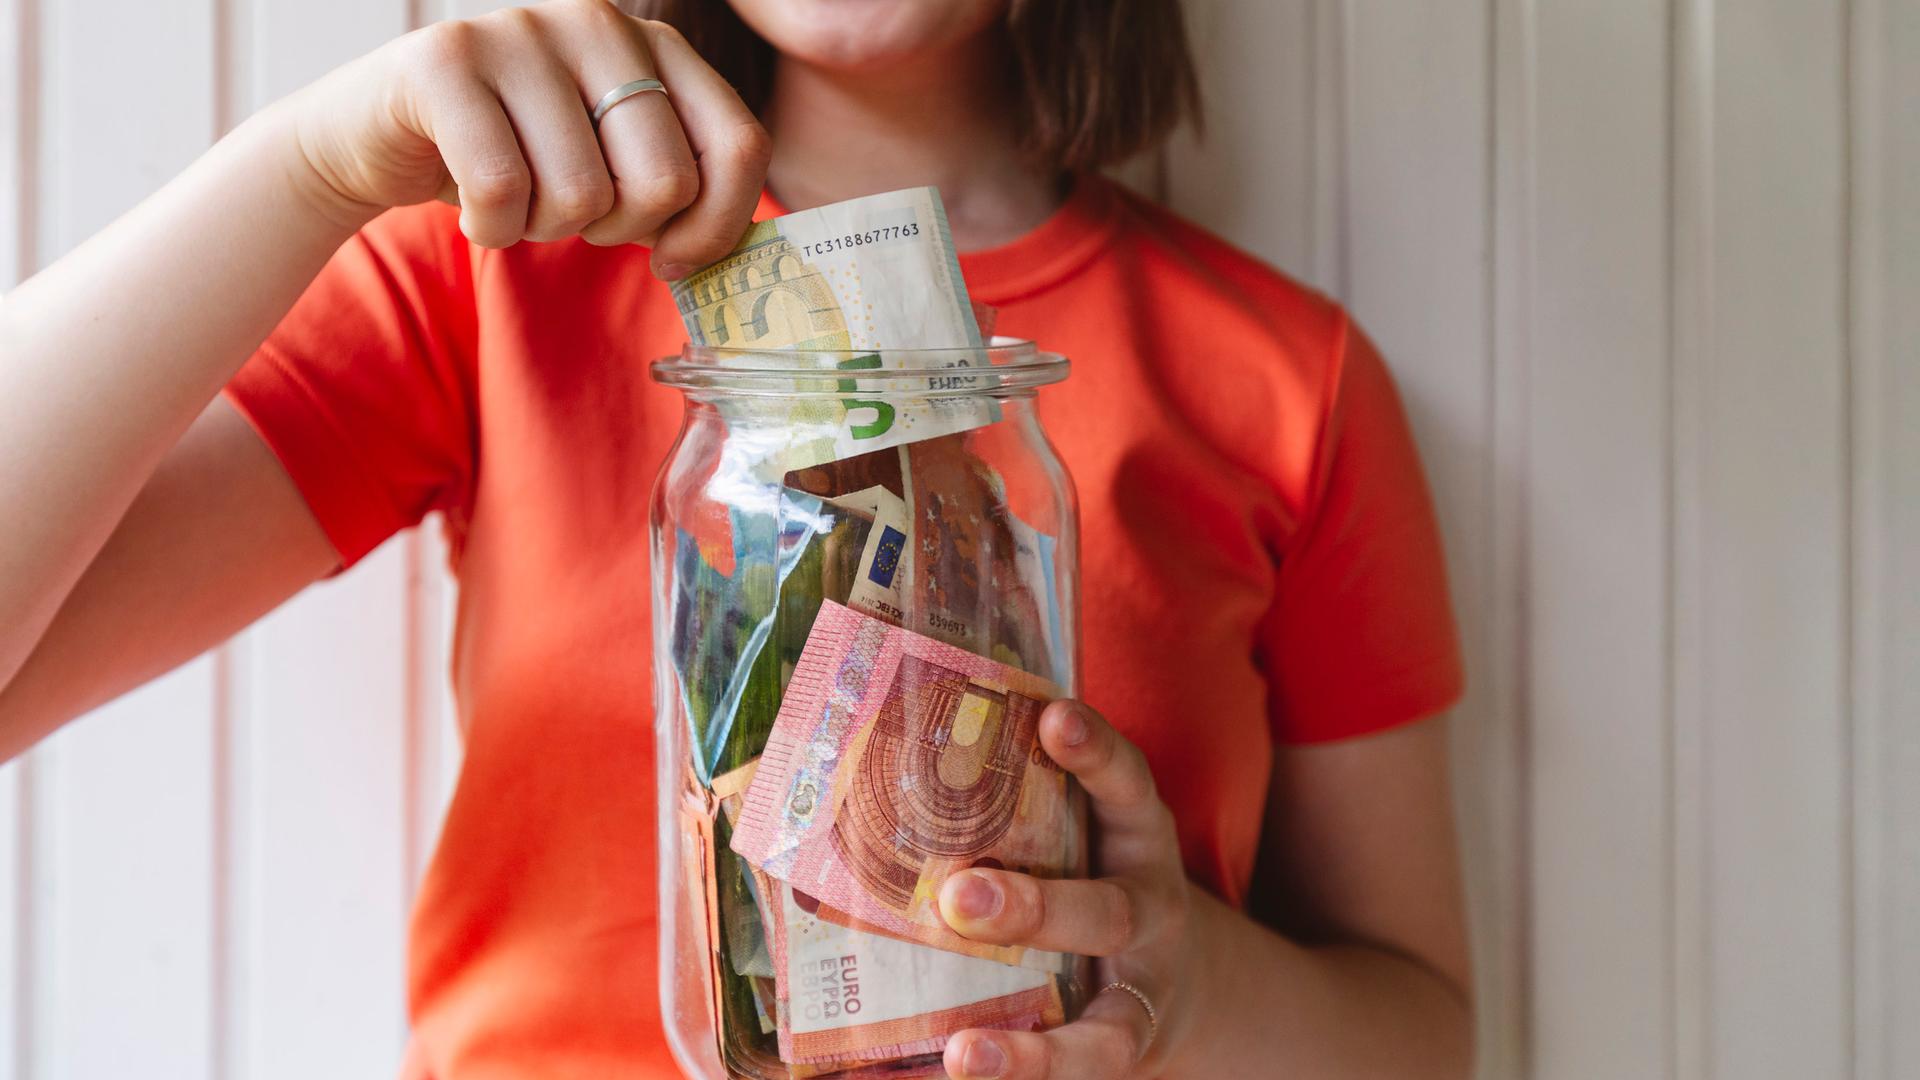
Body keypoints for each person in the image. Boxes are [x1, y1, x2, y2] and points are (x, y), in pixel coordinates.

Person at [0, 0, 1474, 1076]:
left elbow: (1421, 1028)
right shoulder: (496, 279)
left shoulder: (1287, 381)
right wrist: (309, 170)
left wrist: (1193, 985)